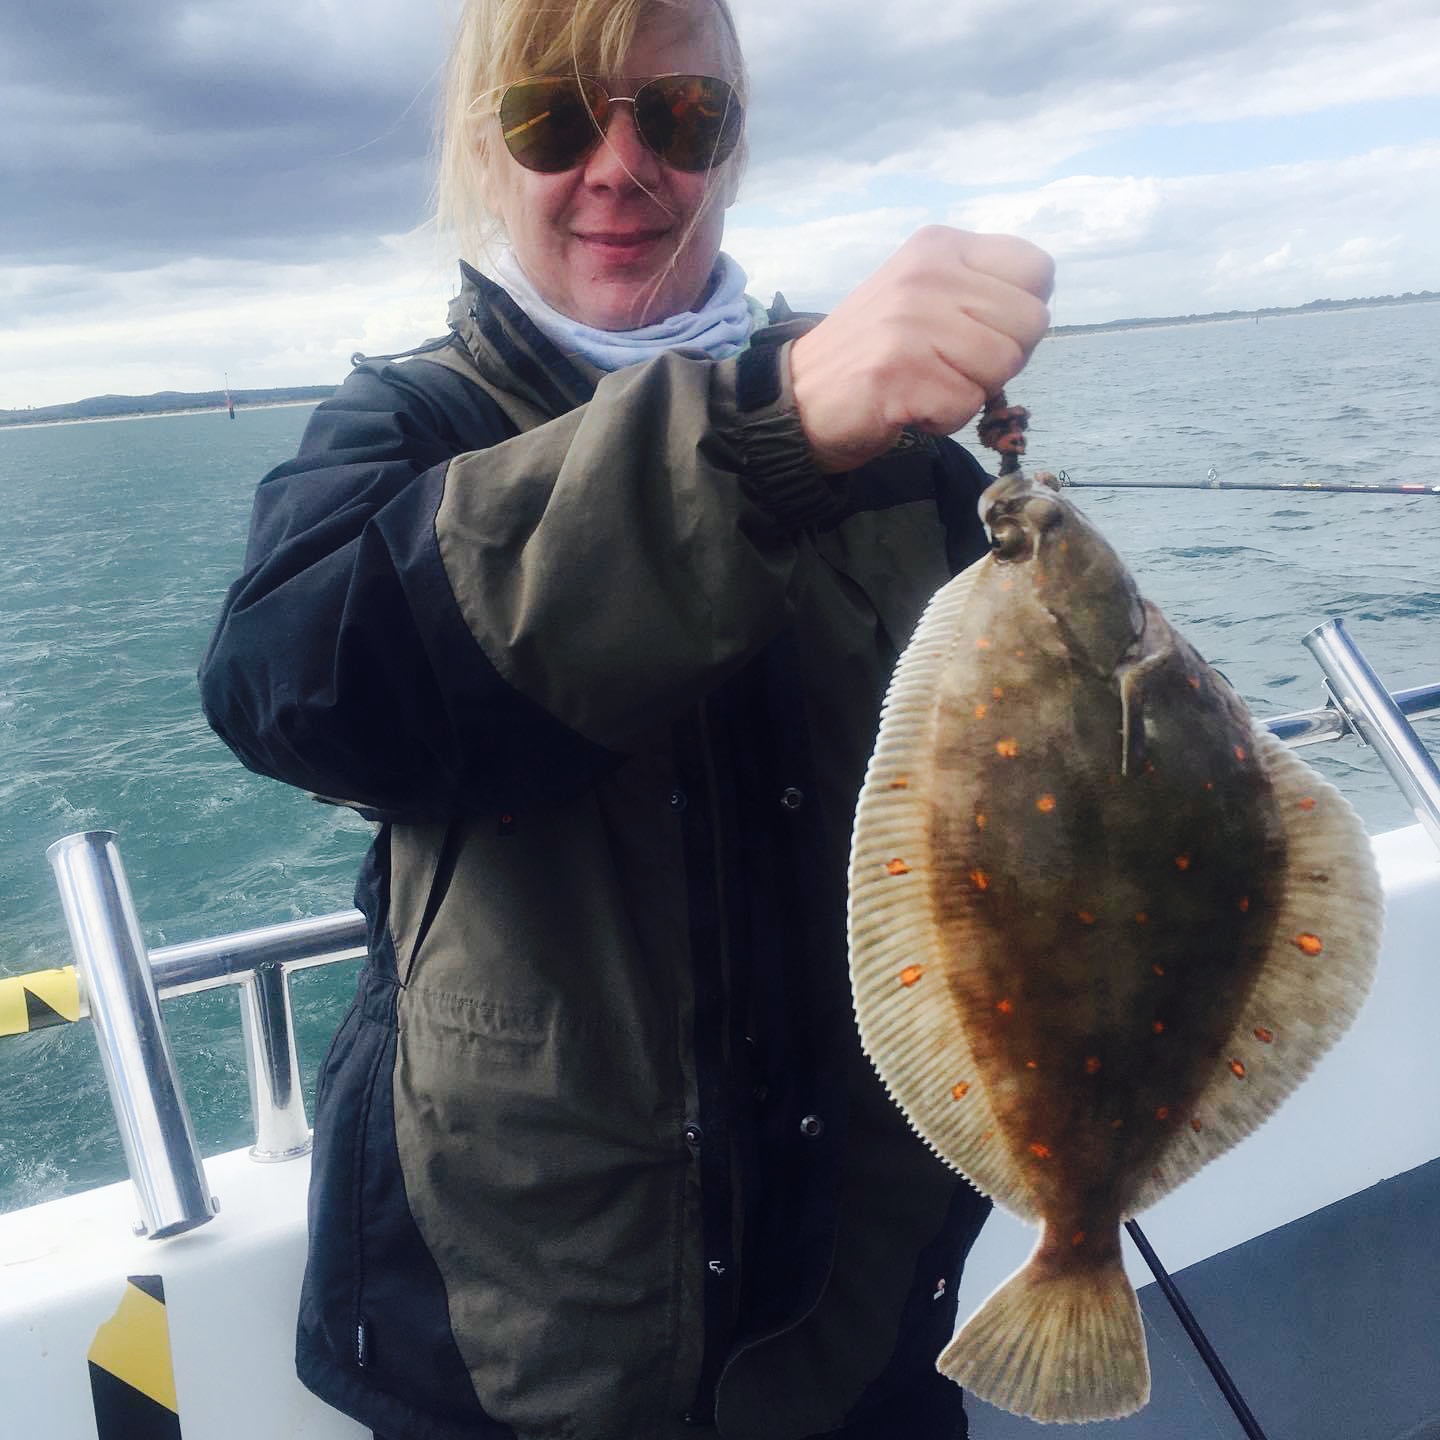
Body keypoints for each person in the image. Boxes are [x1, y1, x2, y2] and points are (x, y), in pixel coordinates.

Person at [198, 0, 1053, 1436]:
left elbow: (1039, 776)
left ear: (733, 146)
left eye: (680, 115)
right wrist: (770, 429)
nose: (617, 165)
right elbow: (297, 689)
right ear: (488, 153)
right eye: (550, 117)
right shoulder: (405, 428)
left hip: (865, 1316)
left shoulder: (908, 452)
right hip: (528, 1333)